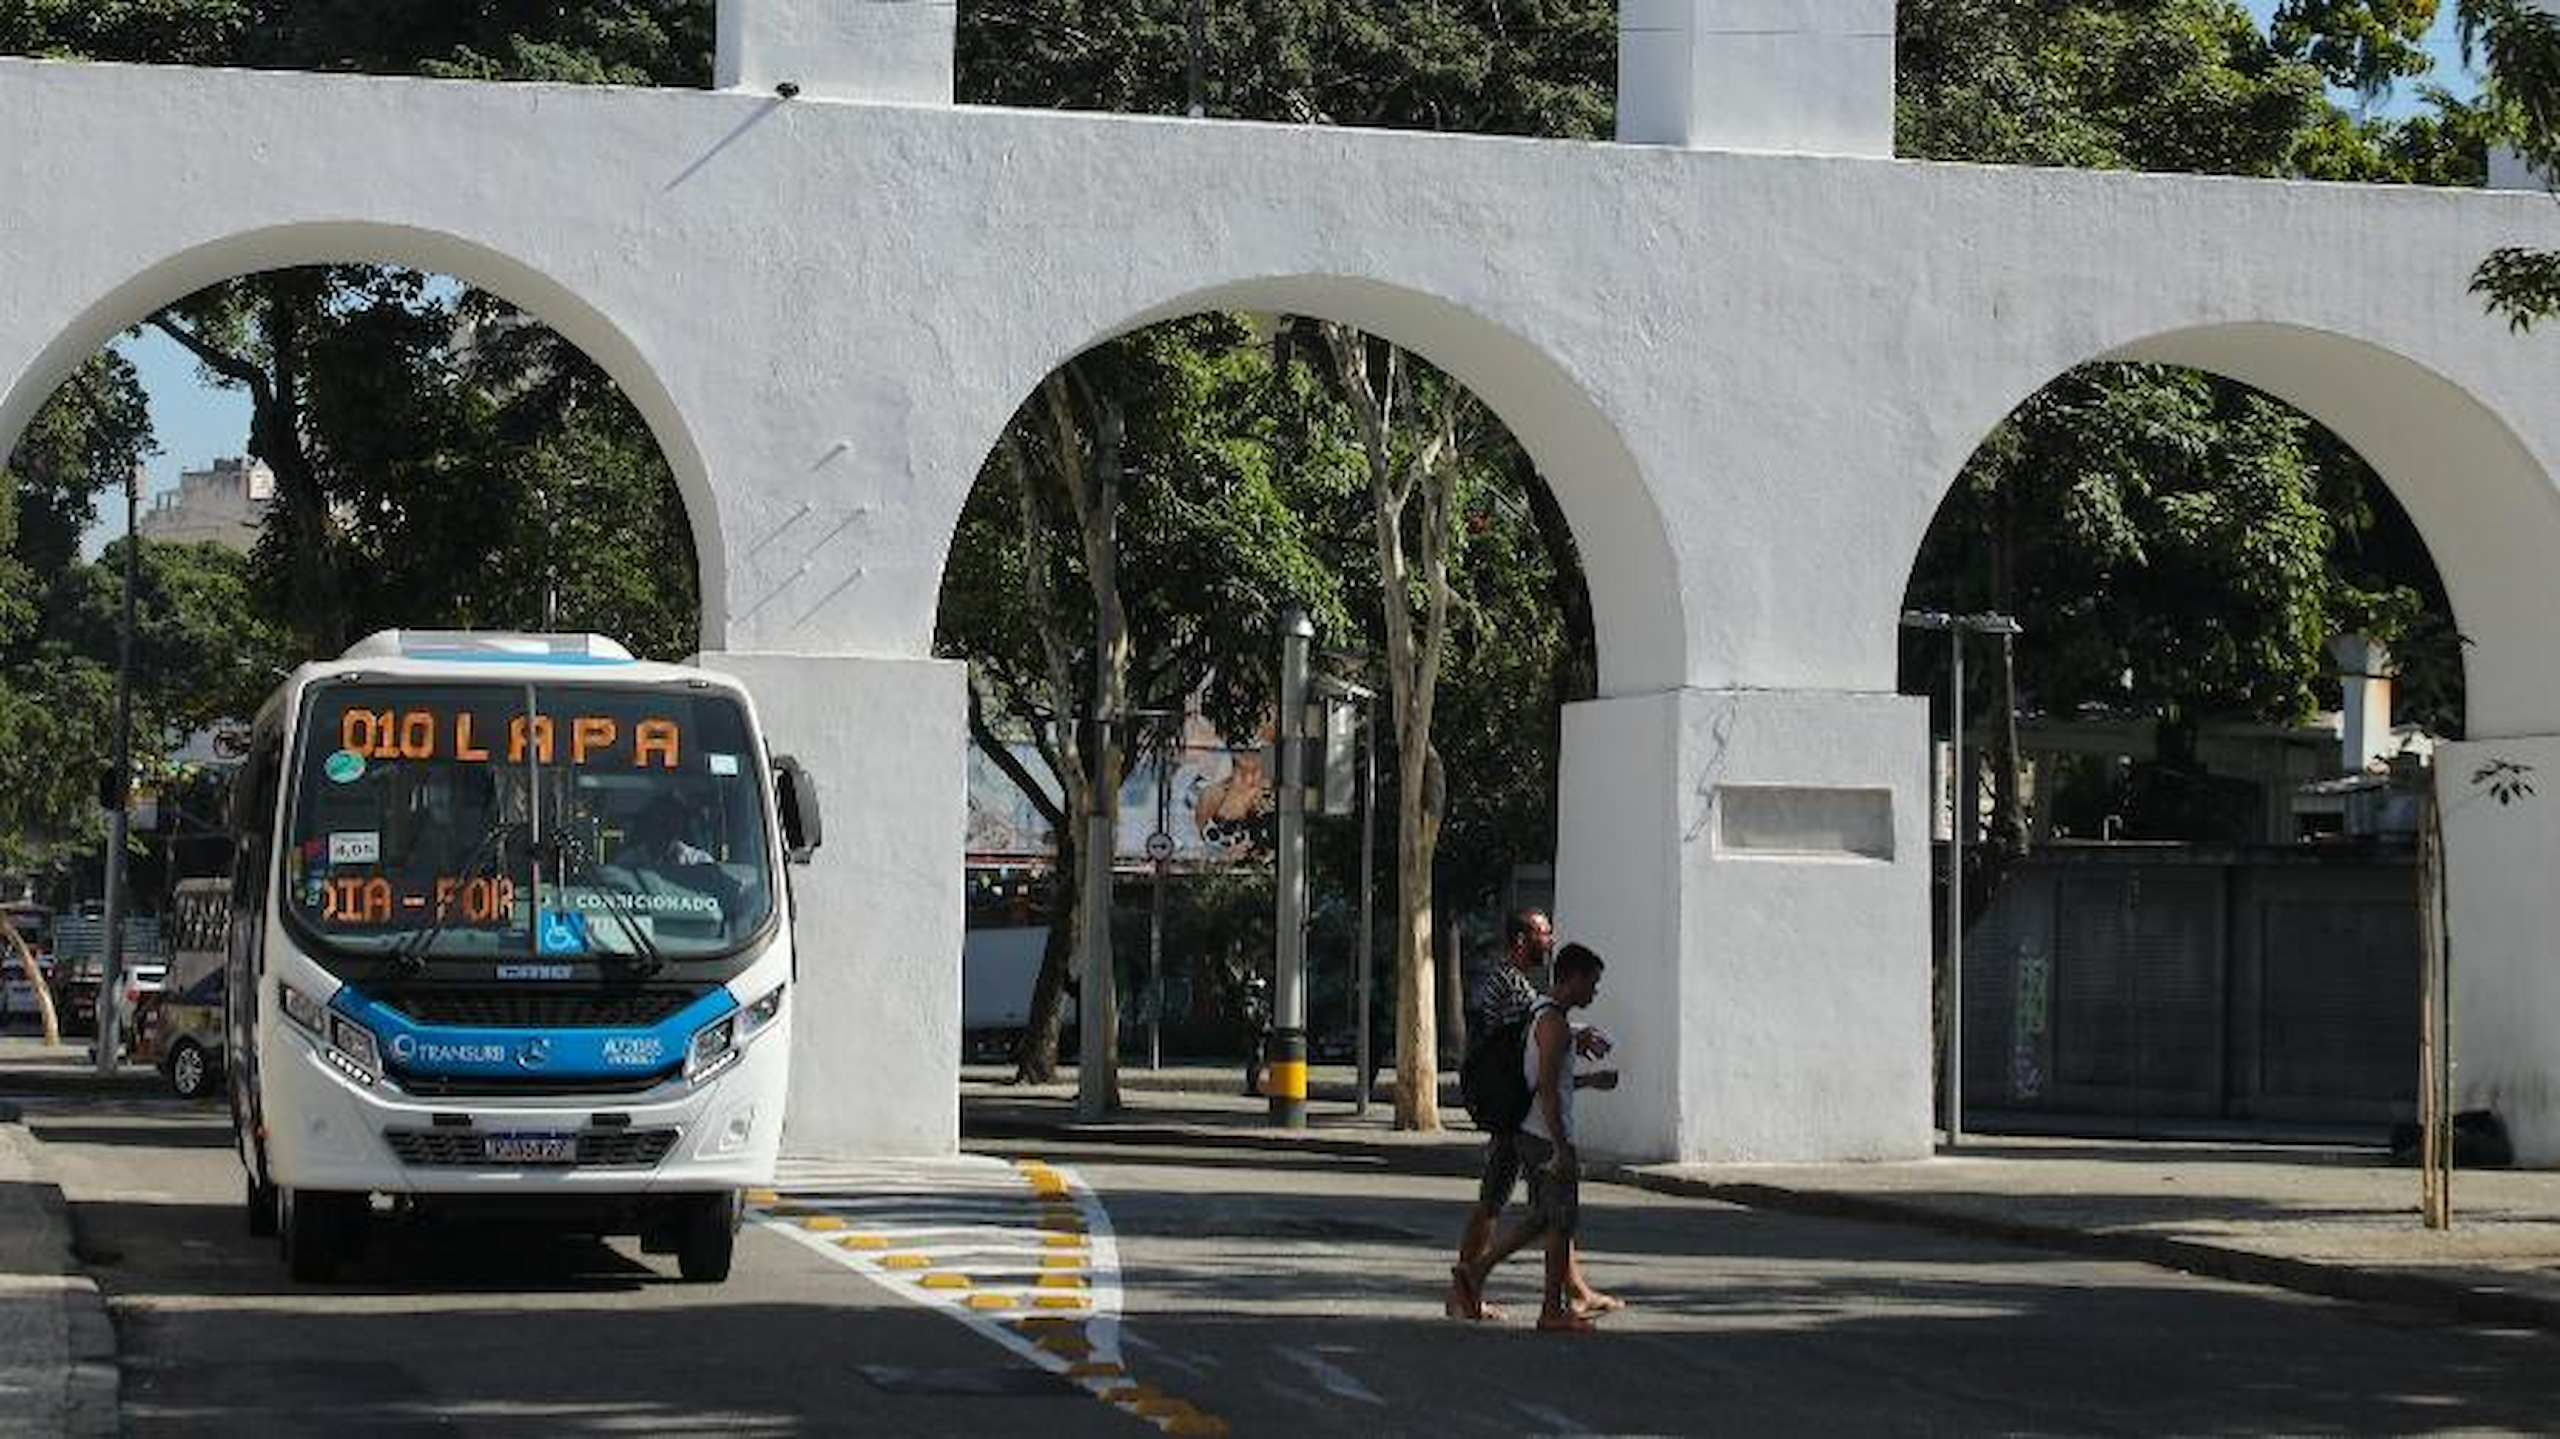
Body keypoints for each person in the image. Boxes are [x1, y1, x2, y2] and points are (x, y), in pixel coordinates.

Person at [1447, 911, 1619, 1322]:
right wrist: (1573, 1038)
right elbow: (1533, 1053)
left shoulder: (1526, 989)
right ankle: (1472, 1283)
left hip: (1520, 1109)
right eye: (1543, 932)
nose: (1550, 938)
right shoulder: (1509, 985)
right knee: (1506, 1202)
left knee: (1548, 1210)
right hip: (1516, 1112)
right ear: (1522, 939)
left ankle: (1563, 1290)